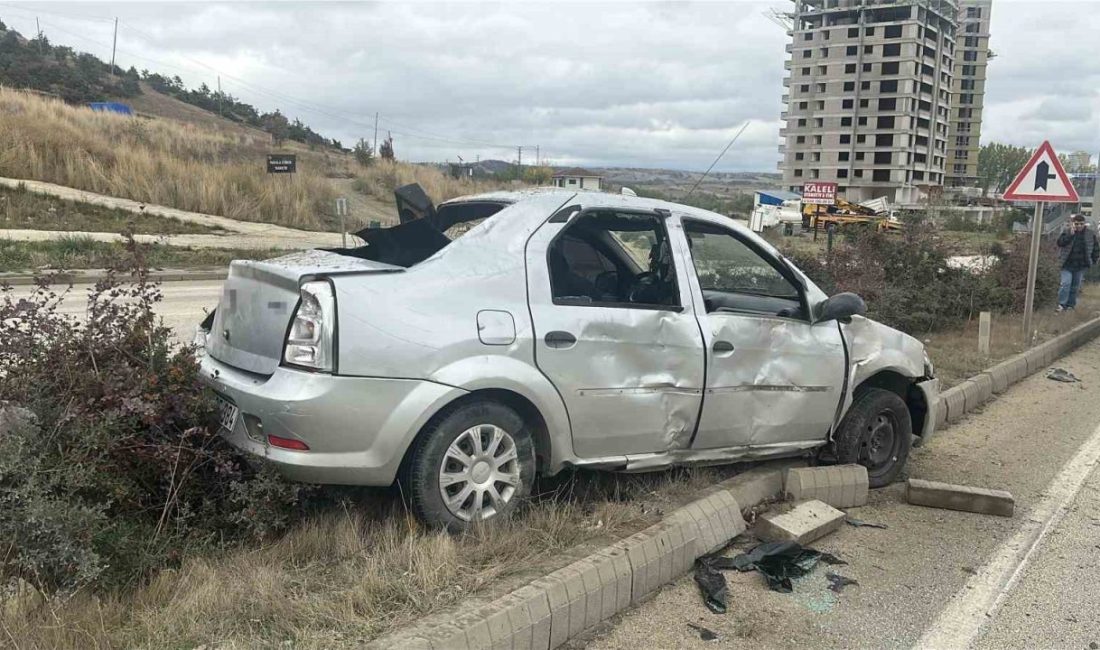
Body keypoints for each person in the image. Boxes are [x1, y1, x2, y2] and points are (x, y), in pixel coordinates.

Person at [1055, 214, 1100, 312]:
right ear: (1073, 224)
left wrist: (1094, 260)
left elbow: (1095, 248)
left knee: (1075, 286)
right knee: (1065, 284)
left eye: (1081, 224)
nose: (1079, 226)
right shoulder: (1067, 232)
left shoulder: (1090, 234)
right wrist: (1070, 235)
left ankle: (1071, 306)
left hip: (1081, 265)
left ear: (1084, 224)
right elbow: (1060, 243)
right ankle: (1062, 304)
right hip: (1066, 264)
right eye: (1076, 224)